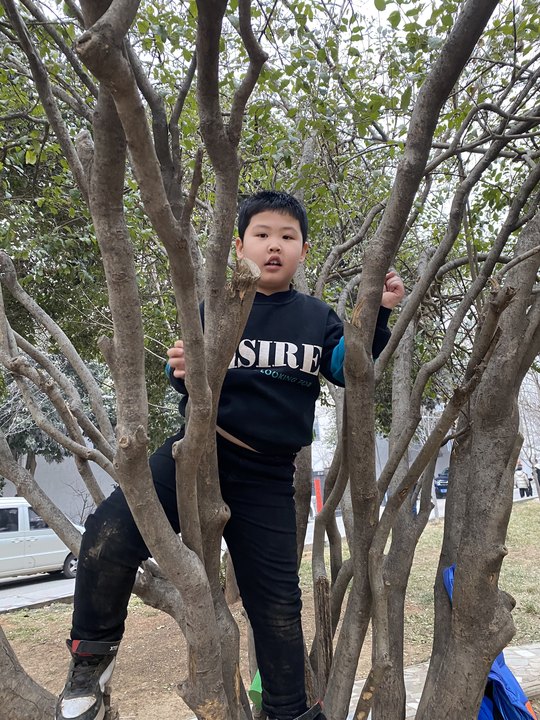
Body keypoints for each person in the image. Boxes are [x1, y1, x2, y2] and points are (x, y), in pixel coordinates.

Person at [56, 191, 405, 720]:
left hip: (267, 476)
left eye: (287, 237)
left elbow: (345, 366)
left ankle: (288, 712)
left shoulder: (315, 317)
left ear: (304, 251)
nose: (274, 246)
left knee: (278, 606)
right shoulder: (217, 308)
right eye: (262, 235)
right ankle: (90, 664)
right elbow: (189, 378)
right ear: (239, 246)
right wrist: (179, 370)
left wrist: (376, 312)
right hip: (195, 456)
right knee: (106, 535)